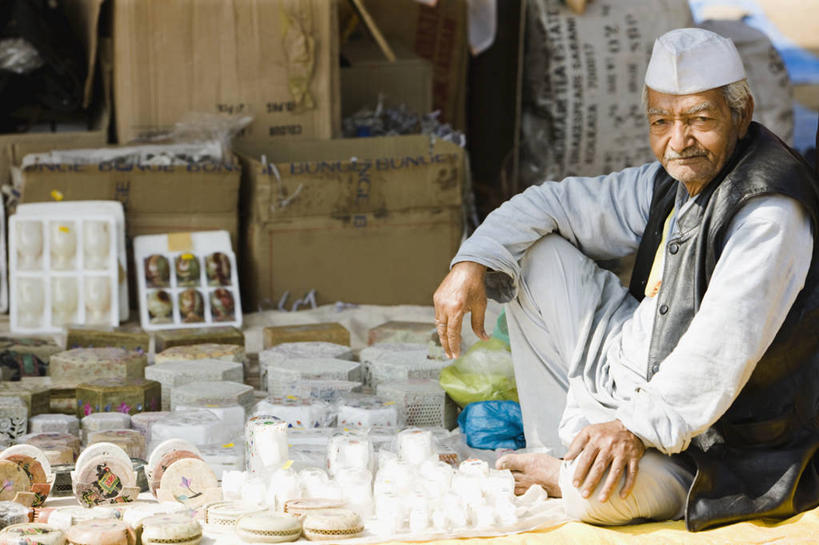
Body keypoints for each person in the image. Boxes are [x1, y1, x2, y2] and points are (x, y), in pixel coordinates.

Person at [433, 28, 819, 531]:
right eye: (661, 122)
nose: (678, 141)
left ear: (741, 115)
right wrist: (471, 262)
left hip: (720, 442)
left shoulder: (768, 212)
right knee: (533, 253)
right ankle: (558, 455)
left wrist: (632, 428)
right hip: (630, 382)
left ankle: (567, 473)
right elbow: (550, 203)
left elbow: (718, 353)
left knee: (599, 498)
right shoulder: (672, 178)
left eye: (700, 120)